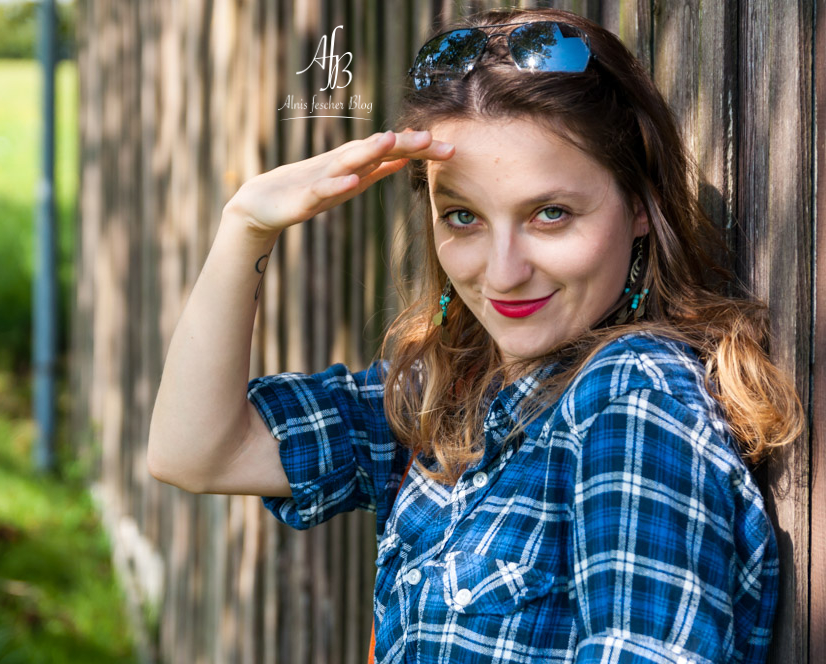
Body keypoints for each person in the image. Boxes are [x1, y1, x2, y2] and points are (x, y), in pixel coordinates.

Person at [148, 7, 804, 663]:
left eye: (551, 214)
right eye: (463, 217)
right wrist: (246, 228)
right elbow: (197, 452)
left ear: (639, 205)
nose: (502, 272)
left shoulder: (630, 403)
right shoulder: (449, 395)